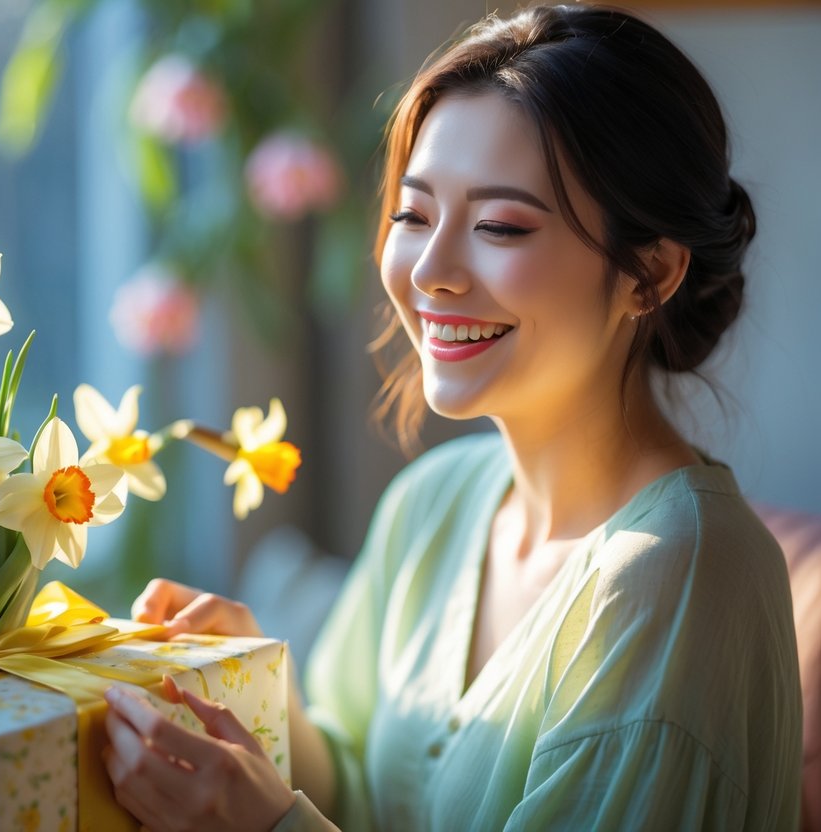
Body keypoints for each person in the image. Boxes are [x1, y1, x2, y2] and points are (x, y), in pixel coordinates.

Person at [100, 4, 804, 829]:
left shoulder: (680, 575)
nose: (431, 271)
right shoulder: (432, 504)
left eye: (499, 226)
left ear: (649, 273)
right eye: (412, 215)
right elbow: (362, 793)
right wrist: (260, 693)